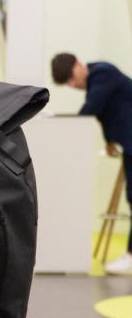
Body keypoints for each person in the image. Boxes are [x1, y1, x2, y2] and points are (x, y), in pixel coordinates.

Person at [52, 53, 132, 274]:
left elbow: (91, 109)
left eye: (71, 78)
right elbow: (108, 113)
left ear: (78, 64)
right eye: (67, 83)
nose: (72, 84)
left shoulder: (102, 73)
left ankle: (131, 256)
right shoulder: (98, 79)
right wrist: (109, 141)